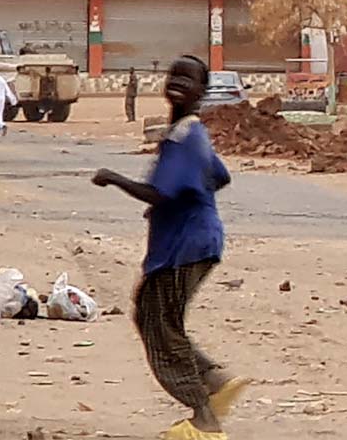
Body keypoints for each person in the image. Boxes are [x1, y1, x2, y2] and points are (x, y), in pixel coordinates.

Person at [91, 55, 248, 440]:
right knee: (154, 316)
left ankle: (204, 417)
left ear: (201, 91)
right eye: (173, 75)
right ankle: (214, 378)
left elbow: (160, 192)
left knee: (160, 324)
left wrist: (114, 178)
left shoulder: (182, 137)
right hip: (192, 240)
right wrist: (184, 201)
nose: (177, 82)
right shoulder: (190, 132)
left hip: (185, 247)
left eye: (188, 78)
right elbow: (219, 177)